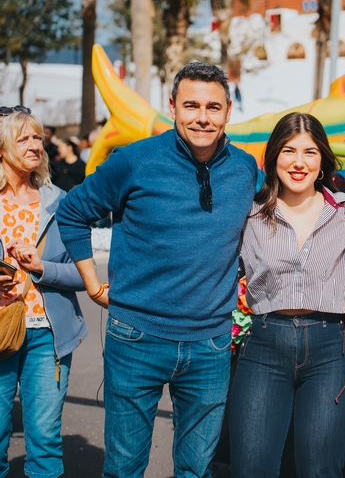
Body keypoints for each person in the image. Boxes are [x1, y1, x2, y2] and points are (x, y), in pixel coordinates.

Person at [56, 62, 258, 477]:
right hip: (137, 337)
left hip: (211, 344)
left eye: (213, 107)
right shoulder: (135, 160)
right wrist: (92, 284)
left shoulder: (245, 168)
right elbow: (73, 212)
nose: (202, 117)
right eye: (191, 105)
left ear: (227, 111)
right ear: (172, 107)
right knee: (125, 468)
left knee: (196, 469)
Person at [230, 112, 345, 477]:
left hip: (331, 347)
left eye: (309, 152)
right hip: (264, 344)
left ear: (322, 161)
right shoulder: (249, 215)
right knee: (251, 467)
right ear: (273, 158)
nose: (299, 162)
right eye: (288, 150)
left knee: (321, 468)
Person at [0, 106, 87, 478]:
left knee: (45, 441)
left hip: (47, 337)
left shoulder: (60, 201)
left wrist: (42, 268)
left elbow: (84, 274)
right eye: (23, 138)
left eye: (38, 137)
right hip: (0, 330)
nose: (35, 145)